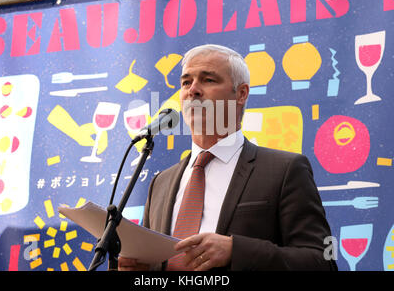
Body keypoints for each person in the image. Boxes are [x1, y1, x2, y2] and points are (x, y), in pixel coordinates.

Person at [118, 44, 337, 271]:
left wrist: (236, 251)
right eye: (186, 82)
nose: (193, 90)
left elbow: (322, 261)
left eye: (208, 80)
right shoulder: (160, 183)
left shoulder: (285, 170)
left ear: (241, 94)